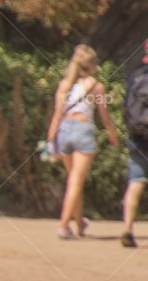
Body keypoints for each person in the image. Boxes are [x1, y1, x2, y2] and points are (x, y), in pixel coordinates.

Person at [46, 44, 119, 239]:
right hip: (82, 130)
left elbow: (57, 115)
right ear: (92, 65)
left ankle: (79, 223)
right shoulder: (96, 87)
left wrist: (50, 141)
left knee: (73, 181)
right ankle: (63, 225)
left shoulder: (64, 86)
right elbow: (104, 117)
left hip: (64, 132)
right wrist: (113, 136)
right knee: (76, 182)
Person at [121, 39, 148, 248]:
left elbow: (126, 108)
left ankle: (128, 229)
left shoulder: (135, 76)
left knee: (136, 181)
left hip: (137, 136)